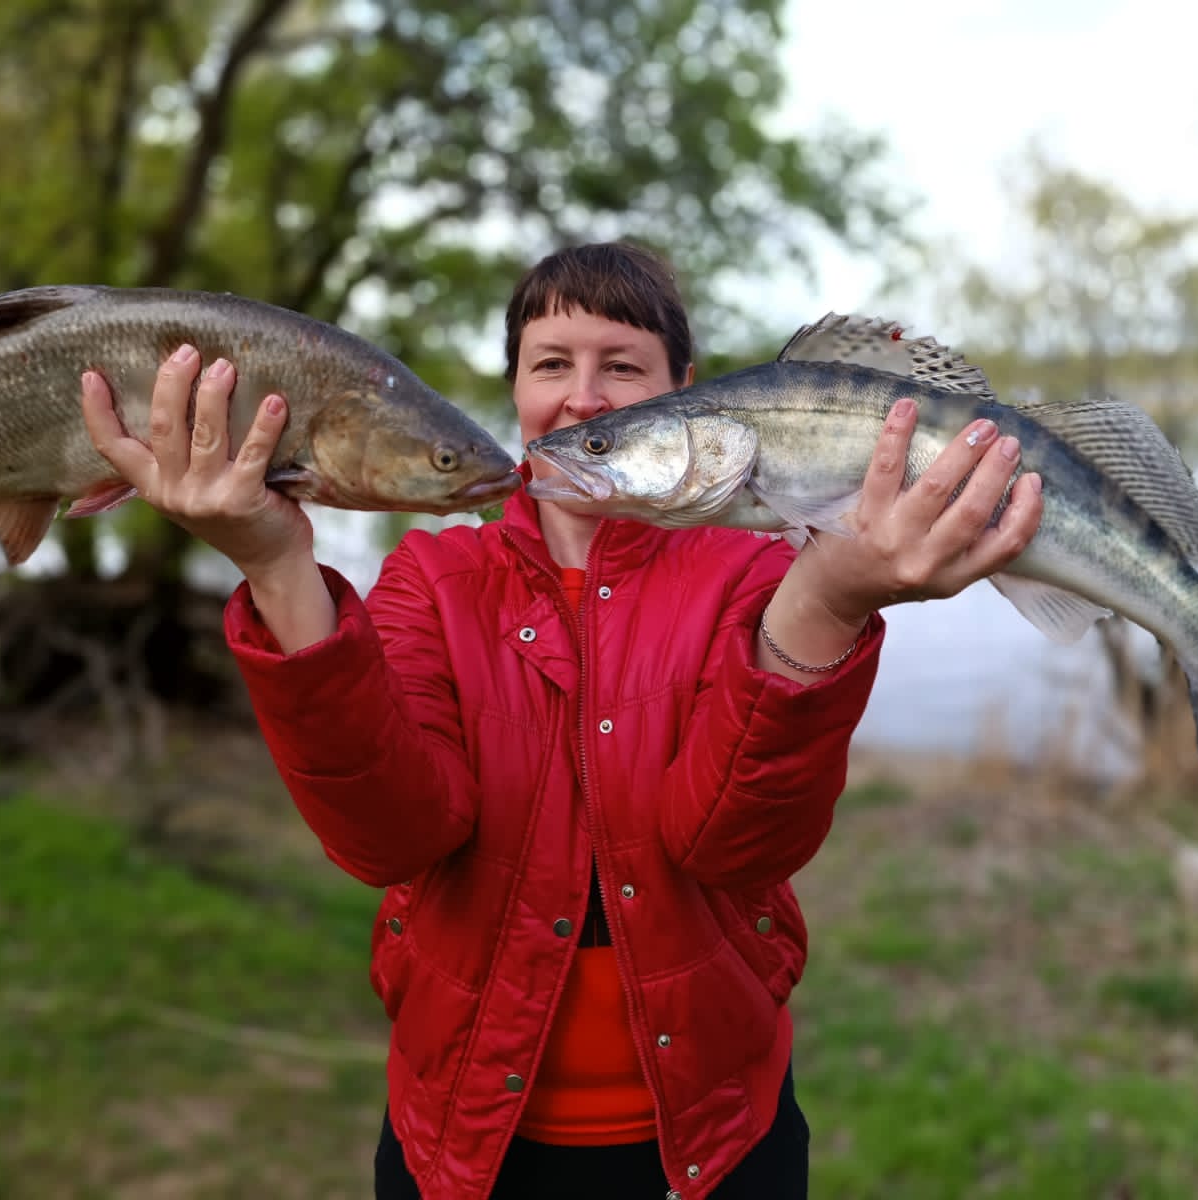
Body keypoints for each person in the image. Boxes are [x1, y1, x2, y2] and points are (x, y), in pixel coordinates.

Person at [80, 242, 1043, 1198]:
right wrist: (278, 567)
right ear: (515, 390)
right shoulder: (429, 578)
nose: (583, 397)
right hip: (464, 1146)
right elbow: (390, 836)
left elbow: (735, 844)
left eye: (622, 366)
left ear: (688, 396)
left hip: (718, 1143)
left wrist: (828, 603)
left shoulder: (760, 576)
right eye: (551, 364)